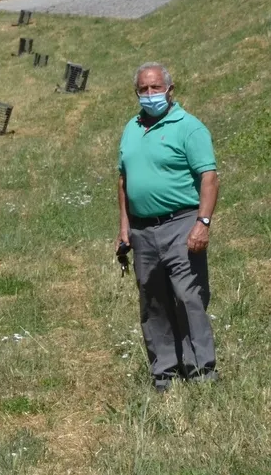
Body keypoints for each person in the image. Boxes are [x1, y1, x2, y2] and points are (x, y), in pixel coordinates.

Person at [117, 62, 218, 393]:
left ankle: (201, 372)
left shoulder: (189, 127)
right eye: (143, 90)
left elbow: (209, 177)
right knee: (152, 299)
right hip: (142, 231)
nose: (150, 95)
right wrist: (124, 226)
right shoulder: (131, 128)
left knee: (188, 296)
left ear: (170, 90)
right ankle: (165, 374)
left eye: (156, 88)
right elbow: (123, 179)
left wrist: (202, 223)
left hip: (180, 223)